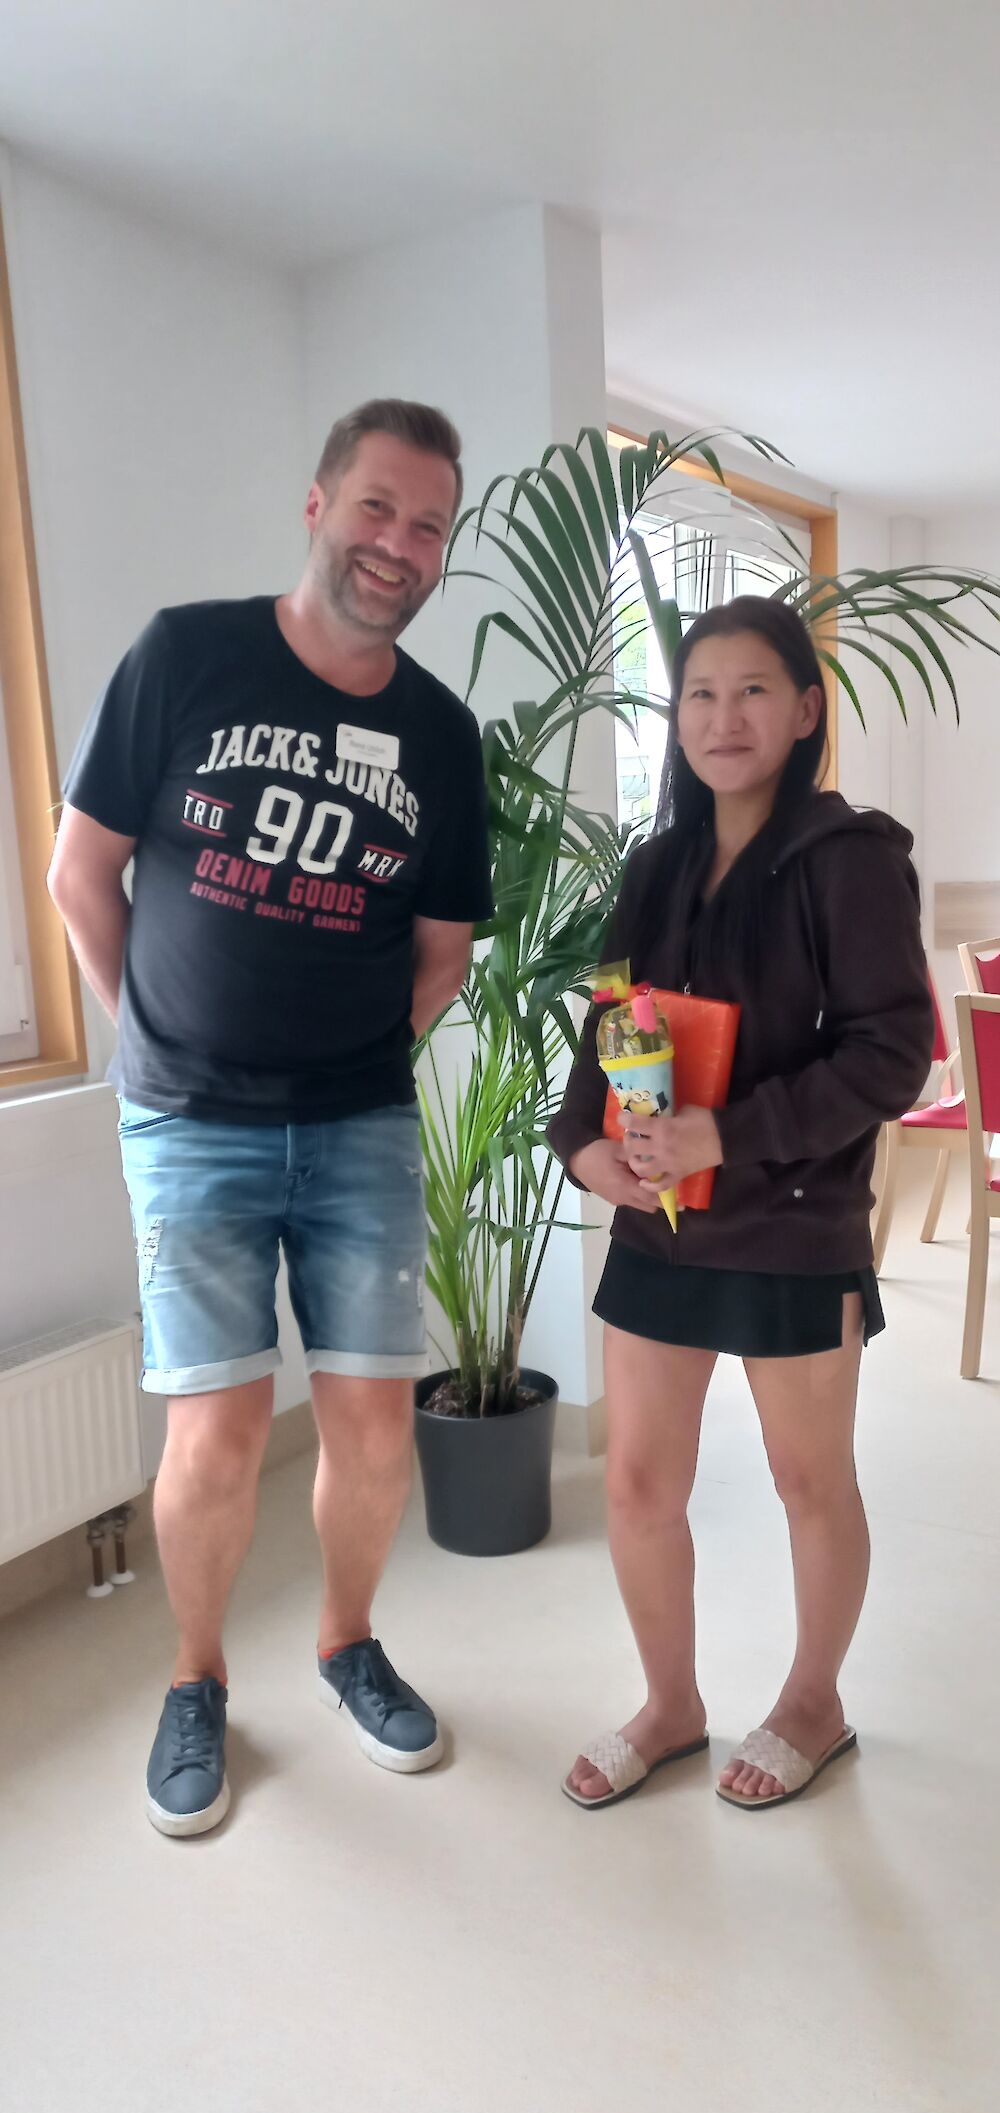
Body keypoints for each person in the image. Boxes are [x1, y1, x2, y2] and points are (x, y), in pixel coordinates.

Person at [48, 398, 493, 1837]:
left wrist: (355, 1061)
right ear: (317, 505)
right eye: (377, 506)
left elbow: (442, 953)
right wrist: (154, 1042)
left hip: (361, 1125)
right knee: (218, 1435)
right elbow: (80, 873)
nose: (399, 543)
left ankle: (347, 1642)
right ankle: (196, 1678)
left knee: (372, 1428)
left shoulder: (439, 735)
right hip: (191, 1124)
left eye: (428, 524)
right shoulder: (185, 653)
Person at [547, 595, 933, 1813]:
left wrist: (730, 1131)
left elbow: (890, 1055)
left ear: (805, 708)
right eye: (700, 694)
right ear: (677, 720)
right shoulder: (656, 864)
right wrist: (581, 1147)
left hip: (794, 1223)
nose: (724, 716)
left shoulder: (847, 857)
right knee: (636, 1484)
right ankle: (670, 1704)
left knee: (808, 1481)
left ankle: (813, 1702)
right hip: (661, 1221)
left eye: (753, 689)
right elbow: (611, 1021)